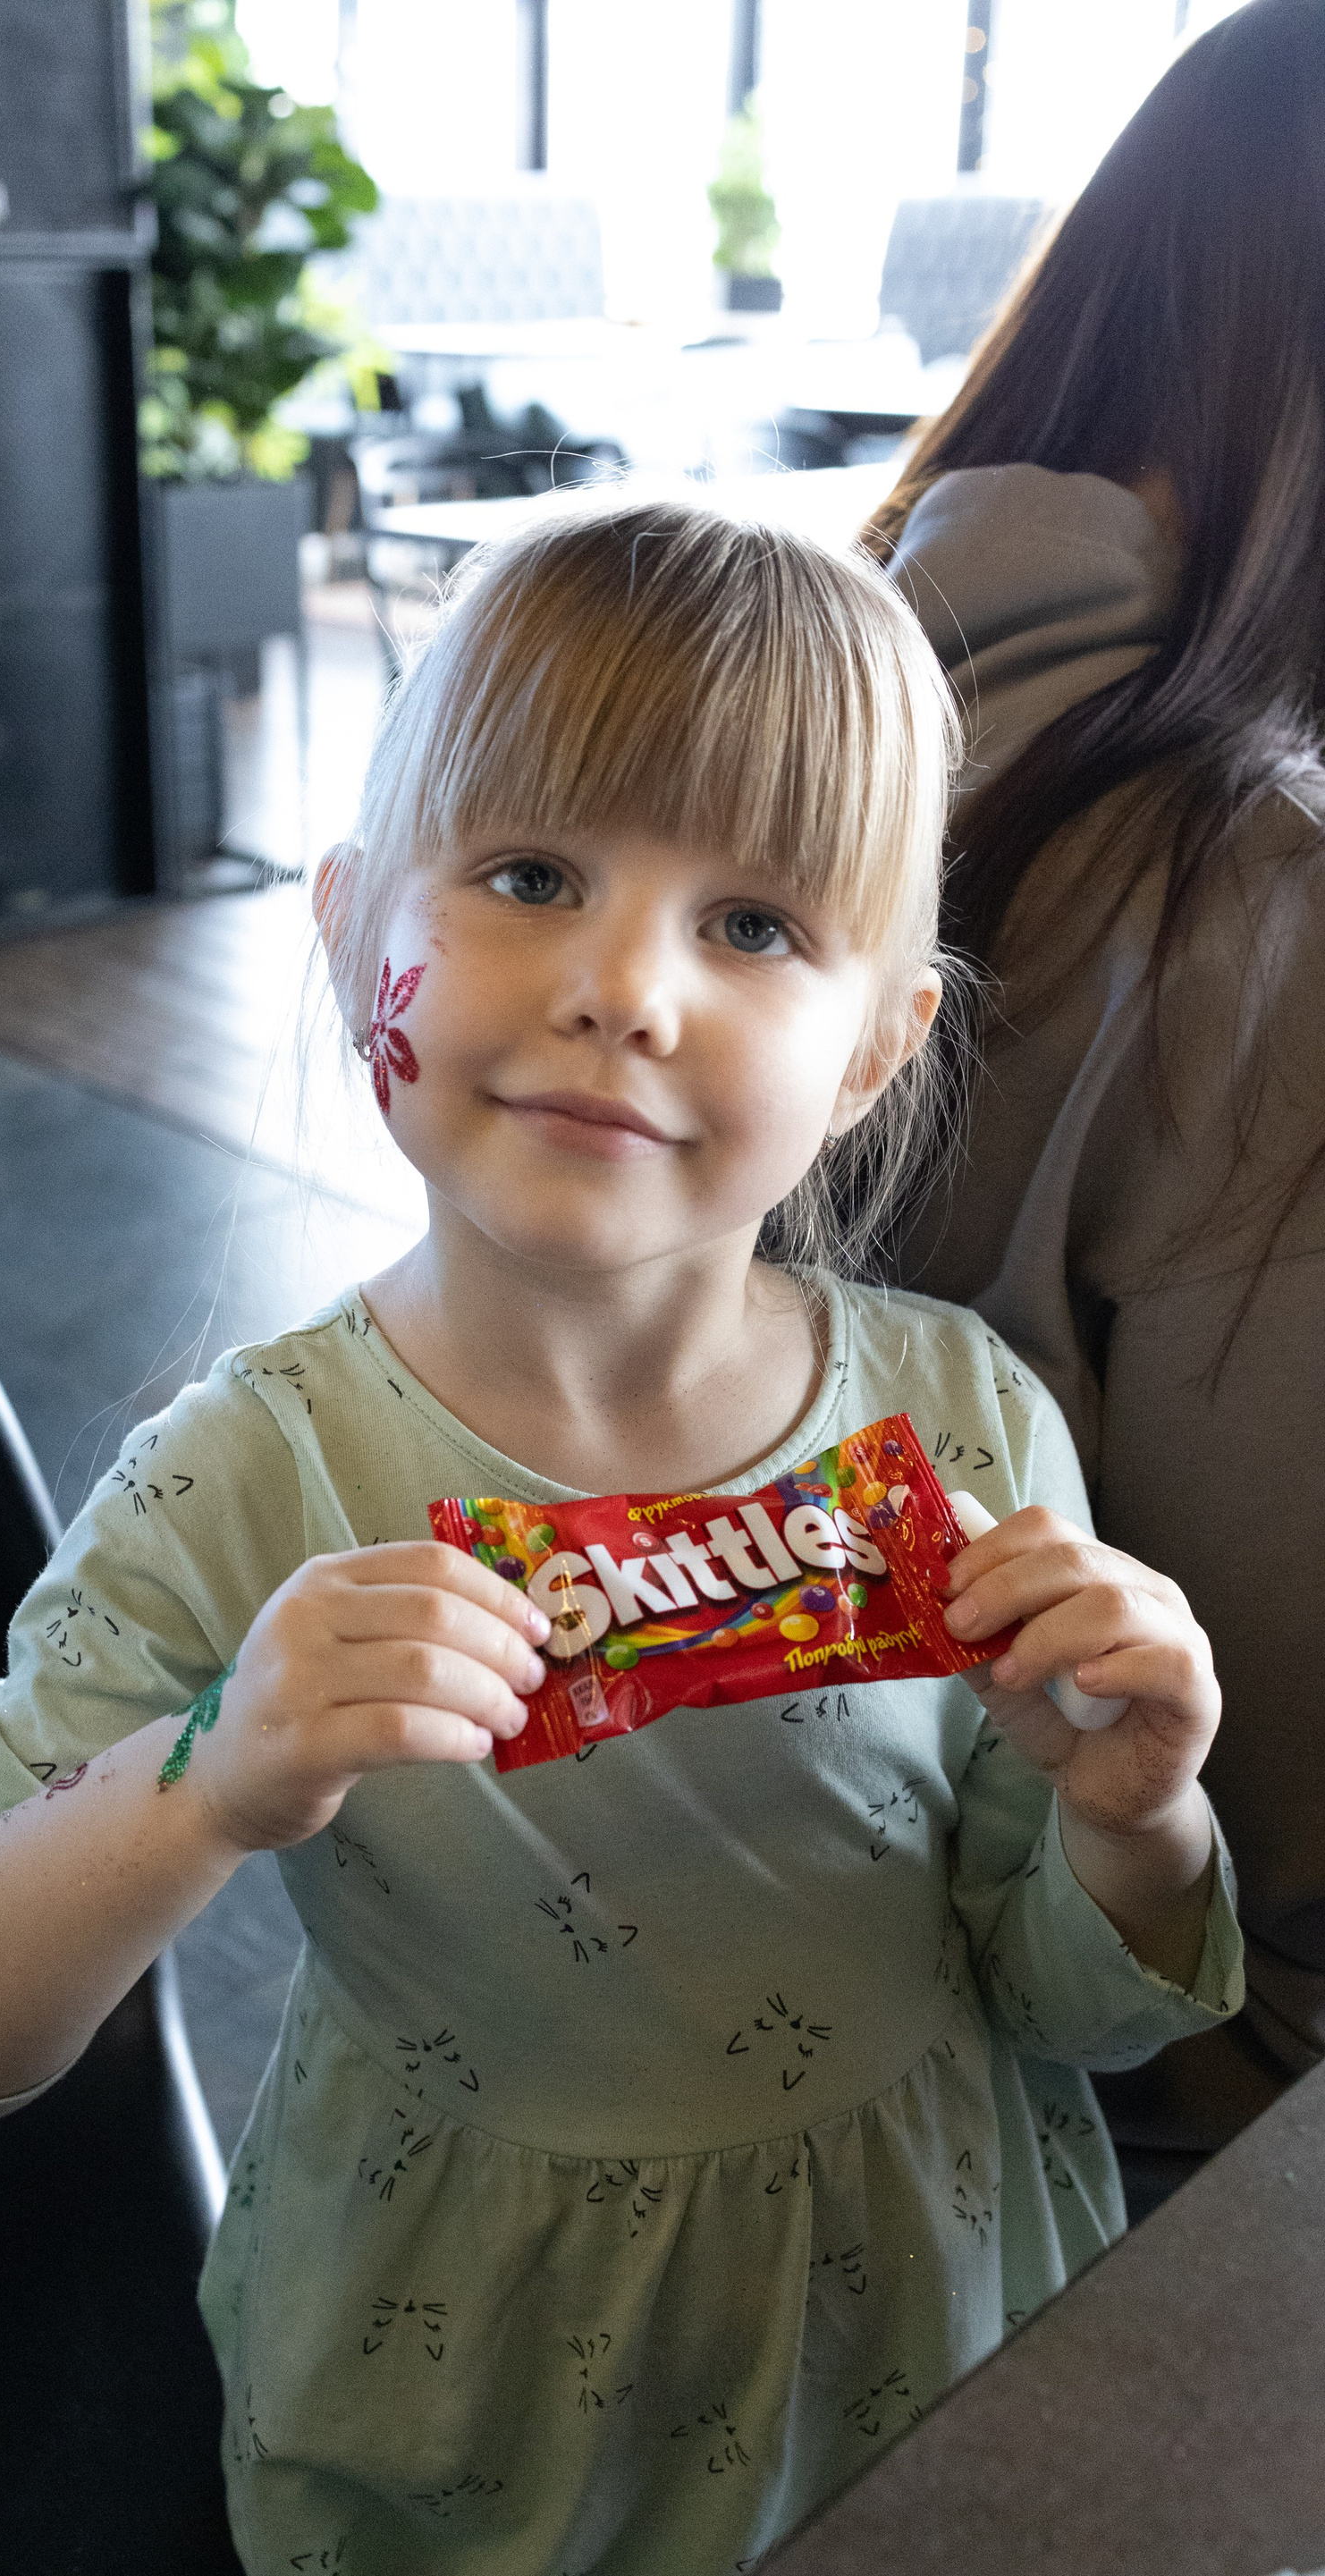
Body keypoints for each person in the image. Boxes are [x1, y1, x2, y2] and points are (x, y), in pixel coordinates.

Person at [0, 502, 1241, 2574]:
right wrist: (208, 1776)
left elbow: (1085, 2004)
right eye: (532, 875)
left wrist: (1134, 1812)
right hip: (455, 2399)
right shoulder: (246, 1481)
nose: (623, 989)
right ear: (348, 926)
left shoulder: (967, 1427)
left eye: (755, 925)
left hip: (922, 2325)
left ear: (877, 1049)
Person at [863, 0, 1325, 2176]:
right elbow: (1286, 1806)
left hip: (743, 1945)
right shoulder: (1270, 892)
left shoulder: (818, 690)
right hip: (1138, 2087)